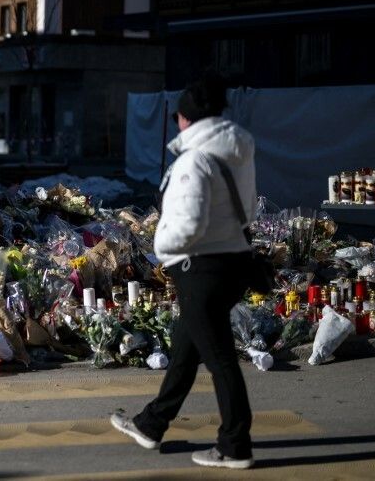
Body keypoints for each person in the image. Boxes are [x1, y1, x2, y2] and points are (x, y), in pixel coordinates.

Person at [111, 74, 257, 470]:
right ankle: (151, 424)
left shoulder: (194, 160)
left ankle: (235, 446)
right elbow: (248, 208)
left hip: (200, 268)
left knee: (220, 360)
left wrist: (161, 247)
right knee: (185, 349)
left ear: (185, 119)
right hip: (231, 261)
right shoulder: (237, 150)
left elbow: (189, 224)